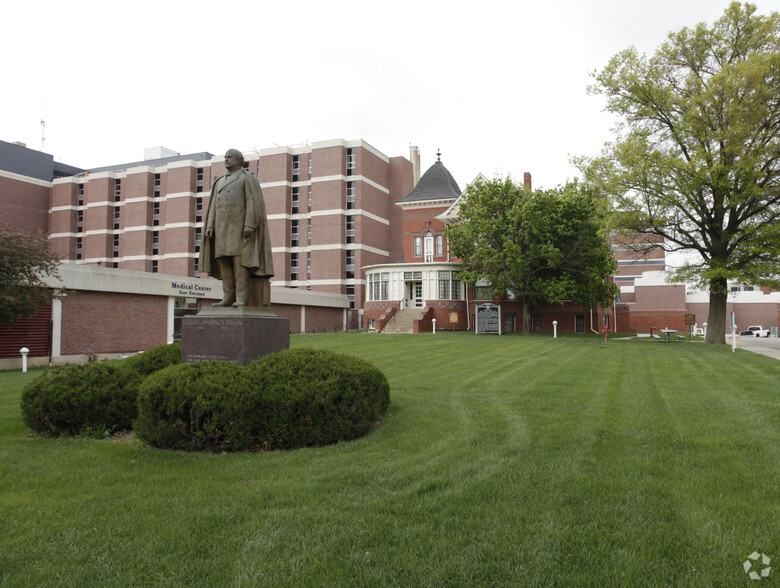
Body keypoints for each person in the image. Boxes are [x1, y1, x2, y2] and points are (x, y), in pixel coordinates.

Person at [199, 149, 274, 308]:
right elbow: (213, 206)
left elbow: (254, 203)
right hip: (221, 229)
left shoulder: (247, 178)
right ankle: (228, 297)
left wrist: (250, 224)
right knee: (224, 264)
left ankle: (242, 298)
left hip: (239, 230)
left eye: (230, 157)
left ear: (240, 160)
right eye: (225, 157)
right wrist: (210, 225)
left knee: (240, 265)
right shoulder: (218, 180)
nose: (226, 160)